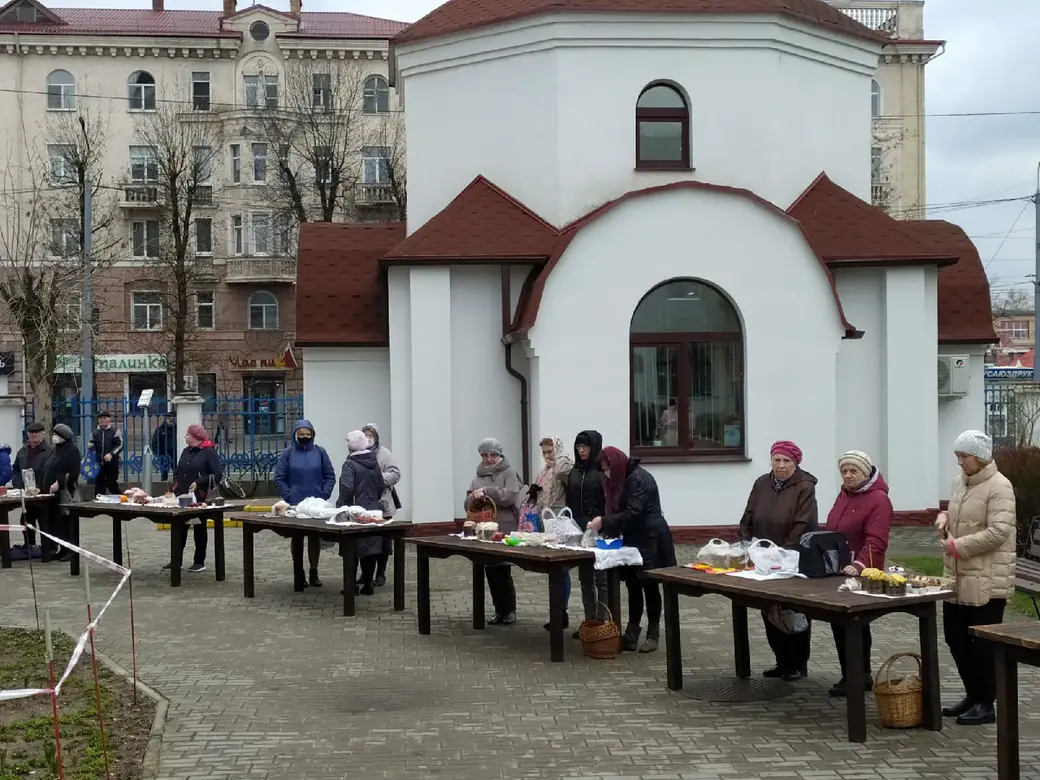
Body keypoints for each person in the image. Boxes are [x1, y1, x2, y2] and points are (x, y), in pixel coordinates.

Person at [935, 430, 1016, 727]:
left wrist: (958, 546)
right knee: (955, 639)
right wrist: (945, 517)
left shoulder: (1000, 487)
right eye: (957, 456)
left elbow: (999, 532)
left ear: (981, 457)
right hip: (958, 577)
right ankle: (973, 695)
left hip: (987, 579)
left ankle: (987, 703)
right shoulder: (961, 483)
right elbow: (961, 514)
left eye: (964, 456)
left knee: (982, 645)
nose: (960, 462)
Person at [737, 440, 818, 681]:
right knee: (769, 608)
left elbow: (803, 522)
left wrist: (784, 552)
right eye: (777, 460)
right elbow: (749, 512)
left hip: (792, 557)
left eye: (786, 461)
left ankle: (797, 663)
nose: (781, 465)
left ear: (795, 463)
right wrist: (744, 540)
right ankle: (781, 661)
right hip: (763, 557)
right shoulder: (762, 482)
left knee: (793, 610)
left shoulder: (805, 486)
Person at [589, 445, 676, 653]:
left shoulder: (639, 479)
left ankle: (653, 632)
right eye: (603, 469)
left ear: (617, 464)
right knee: (633, 584)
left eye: (607, 468)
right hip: (632, 537)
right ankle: (632, 631)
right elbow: (615, 509)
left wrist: (604, 522)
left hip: (651, 536)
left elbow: (633, 512)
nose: (606, 473)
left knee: (649, 583)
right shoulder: (618, 480)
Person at [824, 450, 892, 697]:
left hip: (864, 572)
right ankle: (853, 674)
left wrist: (860, 565)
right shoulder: (845, 495)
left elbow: (877, 540)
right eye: (844, 471)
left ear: (866, 473)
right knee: (840, 622)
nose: (848, 475)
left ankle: (858, 675)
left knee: (855, 623)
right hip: (840, 570)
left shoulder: (878, 499)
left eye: (854, 471)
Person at [519, 435, 574, 630]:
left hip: (560, 518)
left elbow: (561, 472)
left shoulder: (564, 465)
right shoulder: (544, 471)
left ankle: (563, 611)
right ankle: (557, 611)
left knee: (562, 568)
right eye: (544, 452)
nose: (547, 456)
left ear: (558, 449)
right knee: (553, 569)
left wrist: (557, 459)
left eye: (550, 451)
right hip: (546, 517)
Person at [465, 438, 520, 625]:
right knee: (490, 570)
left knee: (503, 569)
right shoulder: (478, 475)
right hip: (484, 527)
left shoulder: (509, 472)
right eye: (485, 455)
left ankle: (510, 610)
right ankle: (498, 610)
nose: (489, 459)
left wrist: (488, 490)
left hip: (504, 525)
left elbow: (510, 496)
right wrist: (474, 497)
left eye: (493, 455)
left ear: (499, 455)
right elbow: (467, 504)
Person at [559, 430, 609, 637]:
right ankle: (589, 622)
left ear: (594, 447)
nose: (581, 450)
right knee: (585, 578)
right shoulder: (575, 471)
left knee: (602, 578)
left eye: (585, 447)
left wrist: (603, 522)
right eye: (578, 447)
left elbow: (608, 500)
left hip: (599, 528)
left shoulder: (601, 471)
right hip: (578, 529)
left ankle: (603, 621)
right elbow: (570, 499)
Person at [275, 419, 336, 588]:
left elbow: (329, 475)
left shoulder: (320, 452)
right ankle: (298, 572)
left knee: (314, 538)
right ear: (295, 435)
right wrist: (288, 495)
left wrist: (324, 495)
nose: (304, 437)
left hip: (316, 504)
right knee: (297, 538)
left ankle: (314, 571)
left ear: (313, 435)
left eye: (308, 435)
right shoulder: (288, 454)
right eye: (301, 434)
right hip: (295, 503)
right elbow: (279, 477)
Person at [165, 423, 222, 574]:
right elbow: (178, 471)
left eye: (188, 435)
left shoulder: (208, 452)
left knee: (199, 528)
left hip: (200, 498)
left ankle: (199, 561)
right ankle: (176, 560)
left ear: (196, 437)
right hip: (182, 496)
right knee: (179, 528)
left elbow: (218, 475)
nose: (185, 437)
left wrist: (199, 483)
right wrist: (174, 488)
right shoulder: (186, 451)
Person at [338, 430, 386, 595]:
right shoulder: (373, 461)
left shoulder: (350, 464)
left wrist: (341, 505)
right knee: (370, 548)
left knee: (350, 548)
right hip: (373, 510)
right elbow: (380, 485)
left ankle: (351, 586)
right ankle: (368, 584)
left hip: (354, 511)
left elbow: (346, 487)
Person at [361, 423, 401, 588]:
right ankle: (365, 573)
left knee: (383, 542)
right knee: (364, 540)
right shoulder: (357, 453)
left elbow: (395, 474)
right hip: (363, 505)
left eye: (371, 435)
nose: (368, 438)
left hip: (382, 504)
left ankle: (380, 572)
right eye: (365, 435)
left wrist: (377, 478)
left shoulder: (385, 454)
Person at [41, 423, 81, 562]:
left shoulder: (72, 451)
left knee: (66, 522)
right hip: (52, 494)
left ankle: (71, 550)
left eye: (57, 435)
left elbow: (74, 472)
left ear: (64, 437)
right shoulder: (55, 450)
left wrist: (59, 483)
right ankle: (62, 548)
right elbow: (48, 467)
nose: (54, 437)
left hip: (65, 493)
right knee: (56, 523)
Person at [13, 422, 51, 552]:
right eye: (31, 433)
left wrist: (41, 487)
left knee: (45, 521)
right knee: (25, 519)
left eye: (37, 433)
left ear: (43, 434)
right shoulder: (22, 451)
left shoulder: (49, 451)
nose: (34, 435)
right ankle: (29, 545)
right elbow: (16, 469)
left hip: (43, 494)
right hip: (26, 494)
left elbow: (50, 472)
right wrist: (17, 484)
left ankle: (49, 548)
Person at [88, 410, 122, 496]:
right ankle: (98, 503)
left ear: (109, 419)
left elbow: (120, 445)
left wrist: (111, 454)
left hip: (112, 463)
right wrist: (90, 446)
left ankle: (121, 499)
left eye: (104, 418)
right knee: (99, 486)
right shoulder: (94, 433)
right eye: (100, 418)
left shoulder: (115, 431)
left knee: (111, 483)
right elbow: (91, 447)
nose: (102, 420)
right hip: (98, 464)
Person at [151, 415, 177, 482]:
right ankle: (164, 485)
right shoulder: (160, 430)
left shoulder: (177, 429)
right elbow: (155, 443)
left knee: (176, 472)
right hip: (164, 454)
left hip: (175, 454)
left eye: (173, 419)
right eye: (169, 419)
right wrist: (157, 454)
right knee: (164, 472)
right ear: (166, 419)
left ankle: (176, 485)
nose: (171, 421)